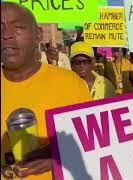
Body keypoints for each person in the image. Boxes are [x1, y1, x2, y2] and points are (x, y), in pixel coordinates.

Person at [1, 2, 92, 179]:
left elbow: (95, 145)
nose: (6, 35)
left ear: (38, 35)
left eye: (18, 27)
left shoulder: (71, 84)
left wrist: (61, 157)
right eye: (0, 27)